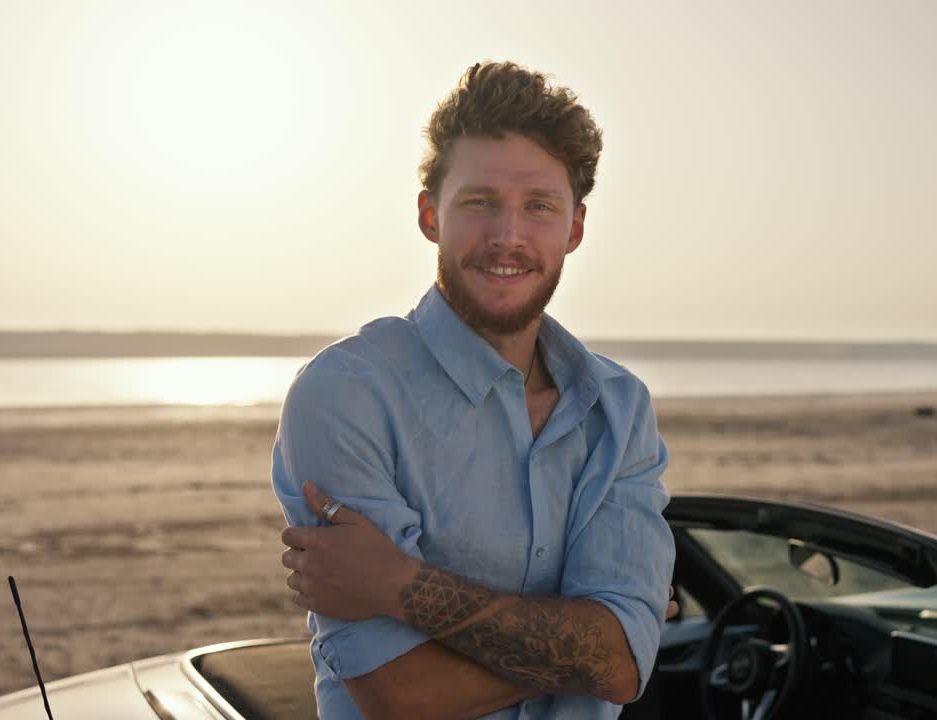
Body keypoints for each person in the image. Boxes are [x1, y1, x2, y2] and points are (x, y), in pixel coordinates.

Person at [272, 61, 675, 719]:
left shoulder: (620, 406)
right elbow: (401, 696)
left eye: (538, 206)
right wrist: (594, 648)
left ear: (574, 228)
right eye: (479, 202)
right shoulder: (347, 394)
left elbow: (623, 665)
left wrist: (402, 585)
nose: (507, 237)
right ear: (431, 215)